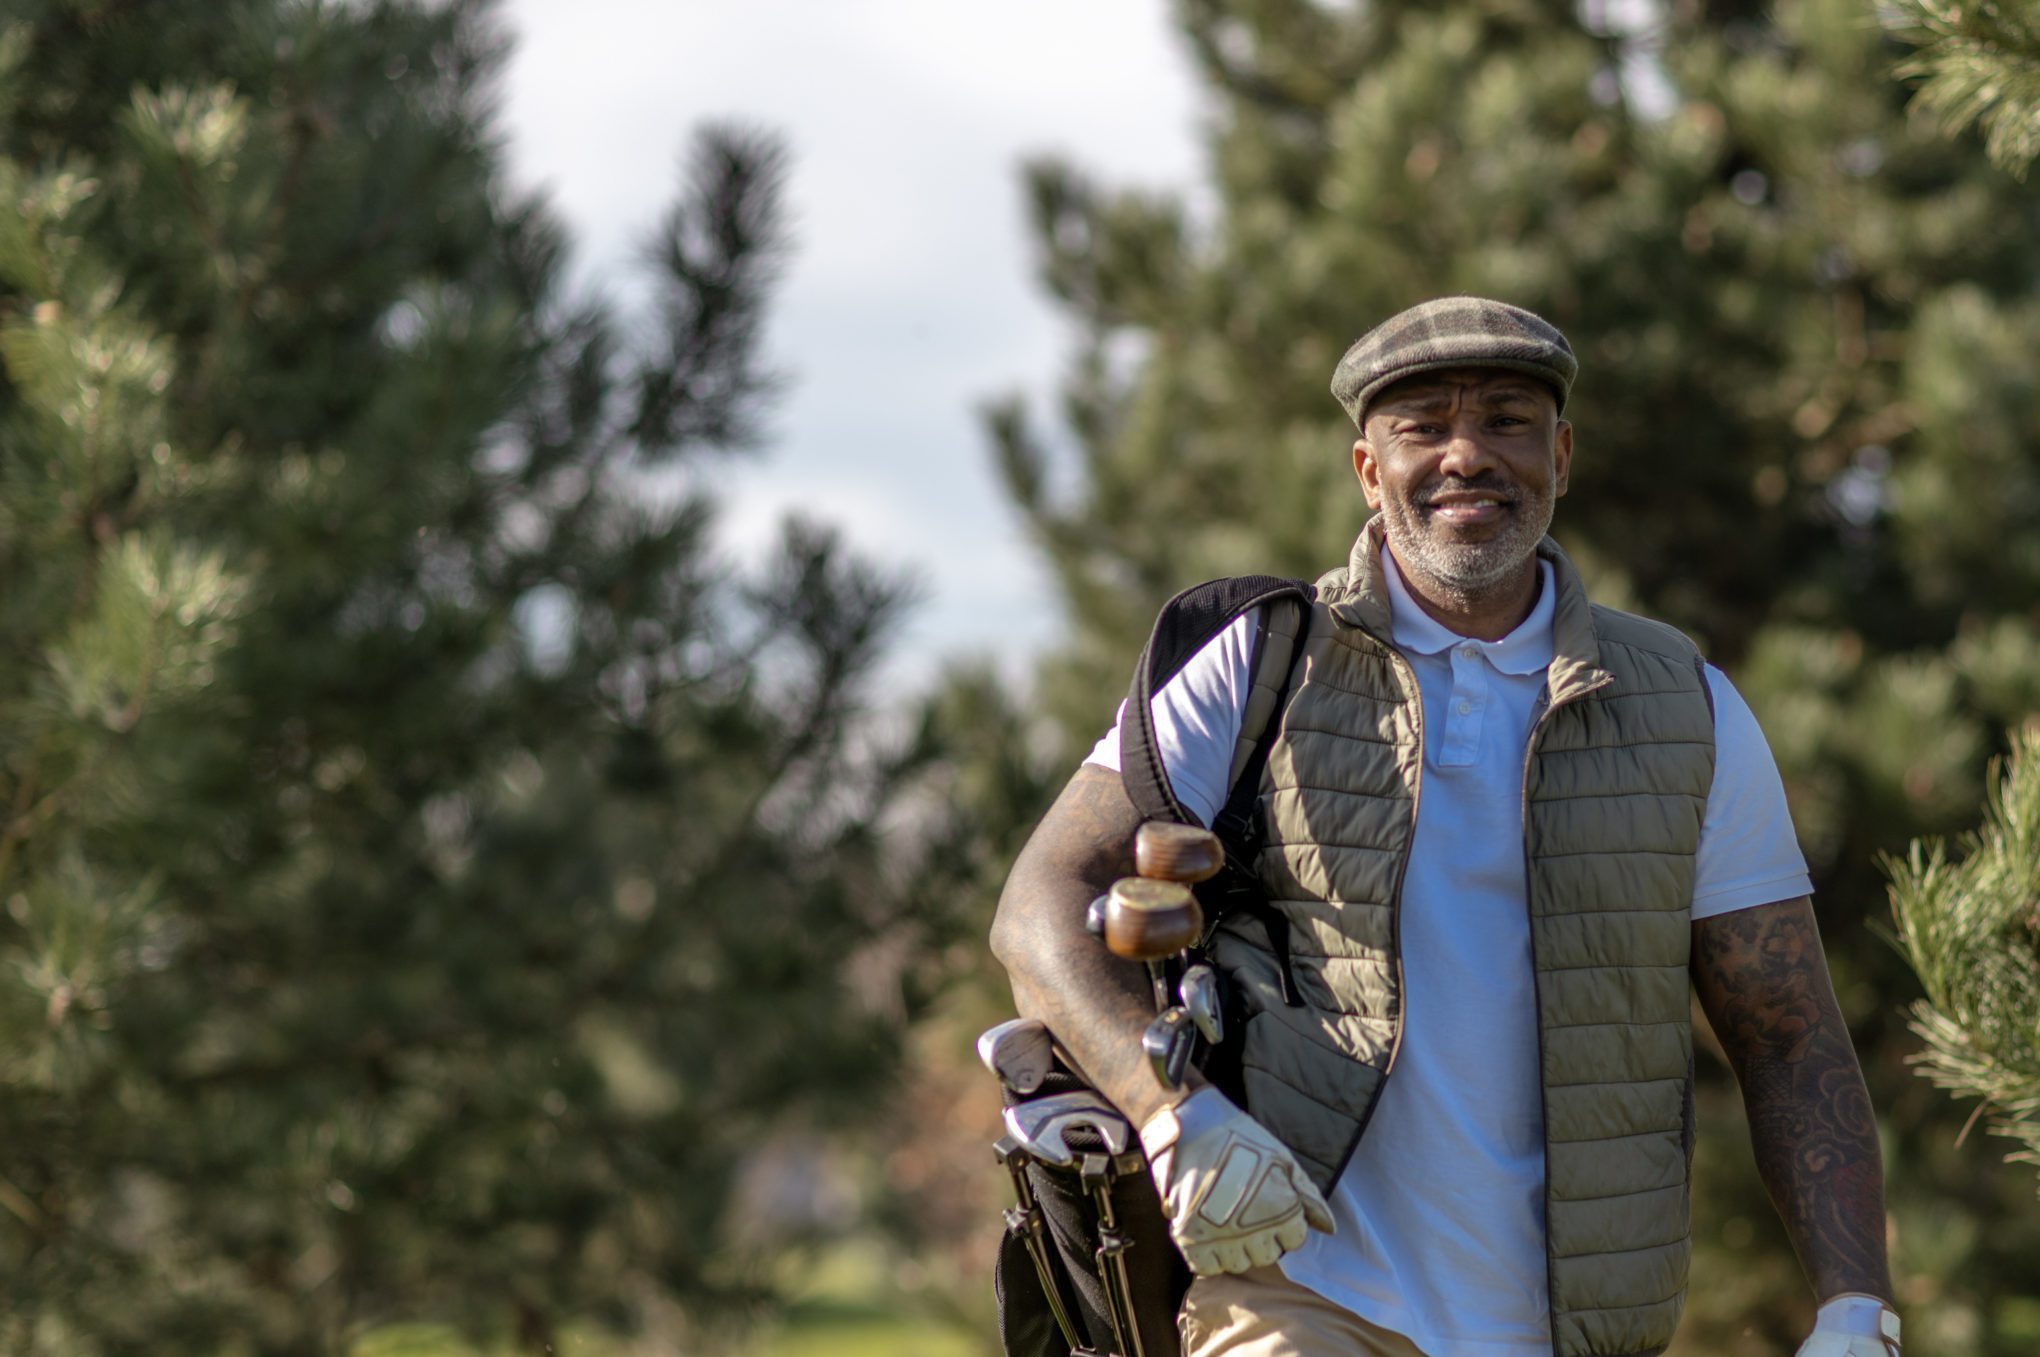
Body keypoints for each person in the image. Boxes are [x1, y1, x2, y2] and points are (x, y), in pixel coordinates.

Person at [988, 297, 1900, 1357]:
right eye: (1424, 425)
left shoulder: (1687, 705)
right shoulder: (1260, 665)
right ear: (1369, 470)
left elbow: (1786, 1028)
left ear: (1561, 455)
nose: (1468, 453)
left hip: (1581, 1327)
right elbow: (1035, 906)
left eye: (1509, 420)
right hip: (1297, 1290)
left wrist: (1854, 1307)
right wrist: (1170, 1115)